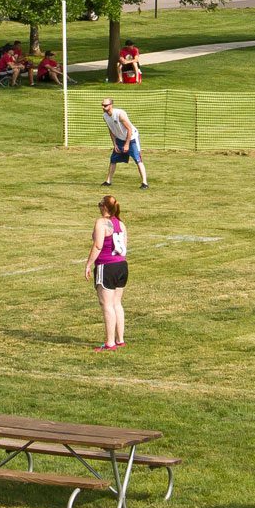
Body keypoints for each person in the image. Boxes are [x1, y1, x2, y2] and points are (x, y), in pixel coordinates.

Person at [84, 195, 128, 351]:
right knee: (117, 303)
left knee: (107, 305)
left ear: (104, 207)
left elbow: (98, 246)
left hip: (106, 266)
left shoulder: (101, 223)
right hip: (121, 265)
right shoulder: (121, 224)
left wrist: (89, 264)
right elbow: (124, 246)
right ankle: (120, 339)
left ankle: (110, 342)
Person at [99, 97, 148, 189]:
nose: (103, 107)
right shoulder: (105, 116)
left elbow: (129, 129)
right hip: (119, 139)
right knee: (113, 160)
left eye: (105, 105)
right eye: (102, 105)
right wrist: (115, 144)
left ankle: (144, 183)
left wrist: (127, 144)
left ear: (111, 105)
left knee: (138, 159)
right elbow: (111, 129)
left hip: (132, 138)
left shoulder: (120, 114)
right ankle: (108, 181)